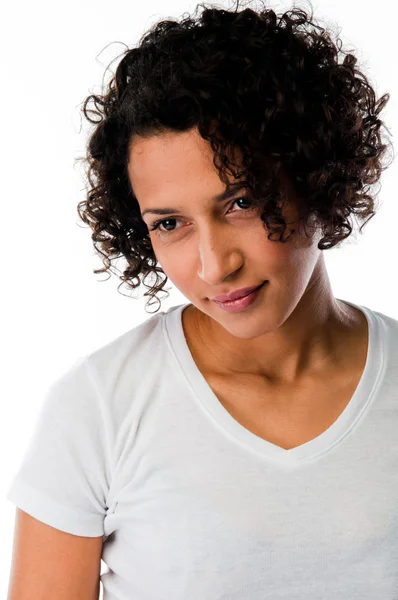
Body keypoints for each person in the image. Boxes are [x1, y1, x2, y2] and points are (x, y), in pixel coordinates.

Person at [6, 1, 396, 598]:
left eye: (240, 202)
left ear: (317, 175)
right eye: (169, 224)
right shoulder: (100, 407)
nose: (215, 265)